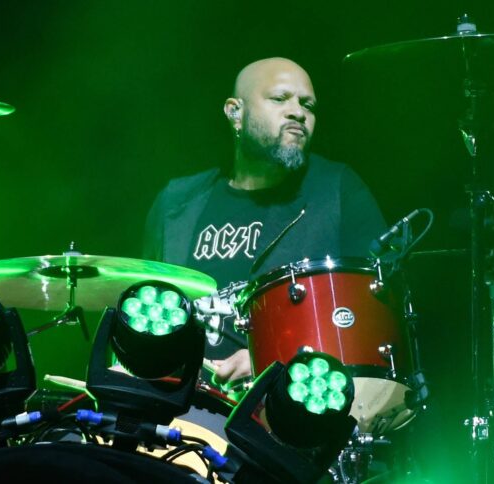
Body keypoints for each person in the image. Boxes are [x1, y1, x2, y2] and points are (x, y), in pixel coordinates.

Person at [143, 57, 387, 386]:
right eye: (279, 99)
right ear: (235, 113)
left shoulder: (336, 190)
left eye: (308, 105)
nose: (298, 112)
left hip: (288, 410)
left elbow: (373, 316)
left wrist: (277, 357)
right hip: (180, 408)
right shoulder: (178, 203)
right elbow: (144, 307)